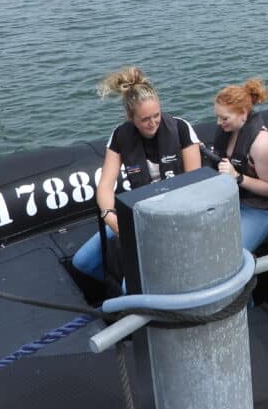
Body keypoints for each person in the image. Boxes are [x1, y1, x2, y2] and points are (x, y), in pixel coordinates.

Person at [73, 66, 201, 282]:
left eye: (156, 116)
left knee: (131, 285)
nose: (153, 123)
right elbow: (105, 186)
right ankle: (115, 289)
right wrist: (109, 215)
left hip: (176, 216)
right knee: (82, 261)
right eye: (145, 119)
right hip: (138, 214)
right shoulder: (120, 136)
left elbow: (195, 183)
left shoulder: (181, 129)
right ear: (131, 117)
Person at [212, 78, 268, 252]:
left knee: (232, 252)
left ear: (243, 113)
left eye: (224, 118)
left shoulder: (261, 145)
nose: (219, 123)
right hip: (234, 201)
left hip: (262, 208)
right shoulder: (228, 132)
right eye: (217, 117)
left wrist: (237, 177)